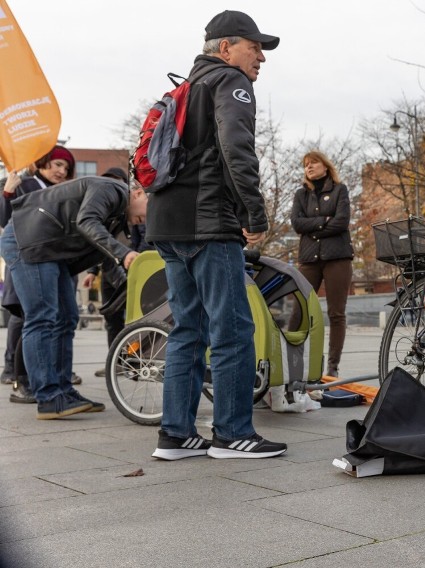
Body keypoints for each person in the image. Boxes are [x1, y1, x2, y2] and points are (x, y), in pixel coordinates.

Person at [145, 10, 287, 460]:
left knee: (188, 328)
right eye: (253, 45)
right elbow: (236, 149)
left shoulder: (184, 88)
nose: (260, 56)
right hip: (209, 224)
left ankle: (177, 434)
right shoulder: (230, 83)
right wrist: (255, 213)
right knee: (232, 328)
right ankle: (232, 433)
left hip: (168, 223)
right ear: (225, 48)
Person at [0, 175, 149, 419]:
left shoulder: (118, 215)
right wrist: (123, 253)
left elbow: (102, 253)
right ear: (139, 193)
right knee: (42, 317)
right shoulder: (110, 189)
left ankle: (63, 390)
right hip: (27, 239)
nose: (143, 221)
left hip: (49, 248)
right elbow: (87, 221)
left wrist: (129, 286)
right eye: (147, 211)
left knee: (67, 317)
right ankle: (47, 396)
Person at [0, 146, 83, 402]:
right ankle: (23, 380)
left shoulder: (61, 192)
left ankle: (54, 380)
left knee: (55, 320)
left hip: (56, 261)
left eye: (66, 168)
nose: (61, 171)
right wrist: (8, 192)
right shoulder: (23, 184)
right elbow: (6, 220)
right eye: (57, 164)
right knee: (33, 319)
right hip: (30, 261)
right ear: (42, 162)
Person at [290, 151, 354, 378]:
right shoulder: (301, 194)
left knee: (336, 313)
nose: (309, 167)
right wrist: (324, 221)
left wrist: (313, 226)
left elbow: (342, 222)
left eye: (314, 162)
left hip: (338, 258)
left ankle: (333, 367)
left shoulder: (340, 190)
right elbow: (297, 223)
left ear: (325, 167)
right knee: (299, 310)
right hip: (309, 260)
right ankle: (291, 362)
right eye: (306, 164)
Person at [82, 168, 153, 370]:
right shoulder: (105, 209)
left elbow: (144, 240)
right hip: (109, 265)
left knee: (134, 316)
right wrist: (92, 271)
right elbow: (98, 240)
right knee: (112, 318)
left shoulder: (137, 210)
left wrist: (134, 261)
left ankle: (134, 360)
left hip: (130, 265)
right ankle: (116, 361)